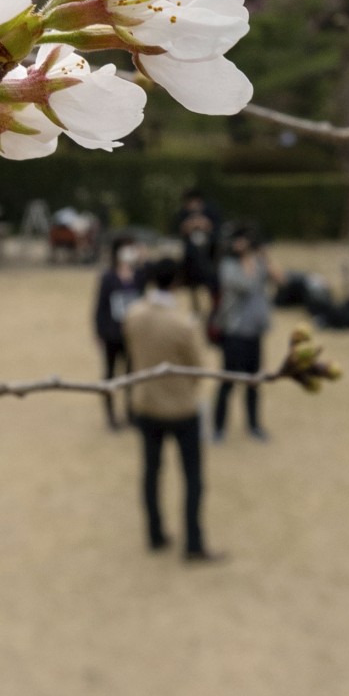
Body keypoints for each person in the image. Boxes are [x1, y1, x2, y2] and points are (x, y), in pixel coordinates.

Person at [123, 258, 225, 563]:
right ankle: (193, 542)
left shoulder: (134, 315)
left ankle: (154, 533)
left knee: (151, 473)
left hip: (146, 404)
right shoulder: (183, 324)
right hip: (181, 409)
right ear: (178, 283)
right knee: (193, 477)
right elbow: (198, 367)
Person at [212, 225, 280, 442]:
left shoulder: (260, 262)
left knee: (254, 381)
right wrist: (253, 262)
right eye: (236, 240)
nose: (239, 244)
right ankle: (218, 427)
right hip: (234, 331)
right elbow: (247, 285)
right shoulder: (228, 266)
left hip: (255, 332)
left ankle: (254, 425)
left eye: (244, 239)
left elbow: (281, 278)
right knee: (228, 380)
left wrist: (264, 257)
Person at [93, 240, 145, 429]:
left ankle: (131, 413)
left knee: (131, 375)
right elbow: (99, 307)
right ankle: (111, 416)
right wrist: (98, 332)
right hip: (111, 335)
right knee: (110, 374)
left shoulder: (139, 276)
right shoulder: (108, 277)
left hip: (132, 335)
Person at [173, 188, 221, 314]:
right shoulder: (183, 213)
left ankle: (214, 307)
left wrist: (205, 225)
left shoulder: (211, 211)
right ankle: (196, 307)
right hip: (191, 256)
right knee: (191, 282)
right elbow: (179, 230)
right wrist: (189, 226)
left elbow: (217, 230)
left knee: (212, 282)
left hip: (209, 254)